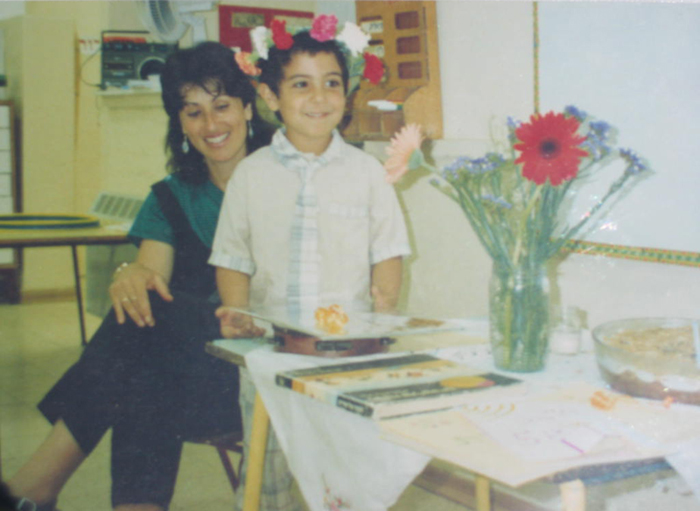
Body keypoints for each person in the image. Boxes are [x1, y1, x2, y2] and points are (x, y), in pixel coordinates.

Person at [4, 41, 272, 511]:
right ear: (179, 123)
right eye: (193, 112)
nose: (211, 125)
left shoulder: (284, 182)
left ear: (247, 107)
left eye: (222, 106)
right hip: (192, 379)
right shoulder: (171, 196)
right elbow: (151, 279)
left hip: (260, 373)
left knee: (144, 352)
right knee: (143, 336)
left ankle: (32, 488)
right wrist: (132, 274)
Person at [210, 22, 411, 511]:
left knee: (348, 472)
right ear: (270, 96)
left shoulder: (368, 174)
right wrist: (238, 315)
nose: (319, 97)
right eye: (301, 84)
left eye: (332, 83)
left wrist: (383, 320)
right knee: (267, 474)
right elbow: (233, 258)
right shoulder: (250, 175)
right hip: (270, 351)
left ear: (348, 91)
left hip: (348, 355)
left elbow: (387, 255)